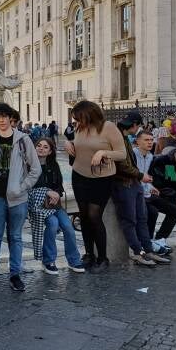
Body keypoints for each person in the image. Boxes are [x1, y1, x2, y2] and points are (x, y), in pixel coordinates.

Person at [0, 103, 41, 292]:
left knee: (15, 236)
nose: (2, 120)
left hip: (18, 196)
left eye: (4, 116)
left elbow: (36, 169)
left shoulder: (24, 140)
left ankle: (15, 275)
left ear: (10, 118)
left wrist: (22, 187)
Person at [64, 100, 126, 273]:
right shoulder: (80, 127)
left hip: (101, 178)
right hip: (79, 175)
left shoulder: (109, 127)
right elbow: (80, 145)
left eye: (78, 117)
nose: (76, 121)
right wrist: (69, 143)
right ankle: (89, 254)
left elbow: (122, 154)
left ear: (89, 114)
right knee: (83, 216)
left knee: (94, 216)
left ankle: (103, 258)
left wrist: (103, 152)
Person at [112, 112, 170, 267]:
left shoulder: (125, 138)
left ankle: (148, 250)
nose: (150, 142)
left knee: (142, 218)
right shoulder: (118, 137)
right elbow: (122, 165)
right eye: (138, 126)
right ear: (134, 125)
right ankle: (138, 252)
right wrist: (140, 176)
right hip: (125, 184)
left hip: (135, 183)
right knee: (130, 220)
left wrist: (143, 181)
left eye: (151, 140)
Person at [29, 137, 85, 274]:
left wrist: (56, 194)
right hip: (38, 205)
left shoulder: (54, 166)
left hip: (53, 204)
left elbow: (59, 186)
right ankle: (48, 261)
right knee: (53, 224)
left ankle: (74, 261)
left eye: (45, 147)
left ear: (50, 151)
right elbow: (28, 186)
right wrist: (47, 192)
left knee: (68, 226)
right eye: (39, 146)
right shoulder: (28, 164)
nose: (41, 148)